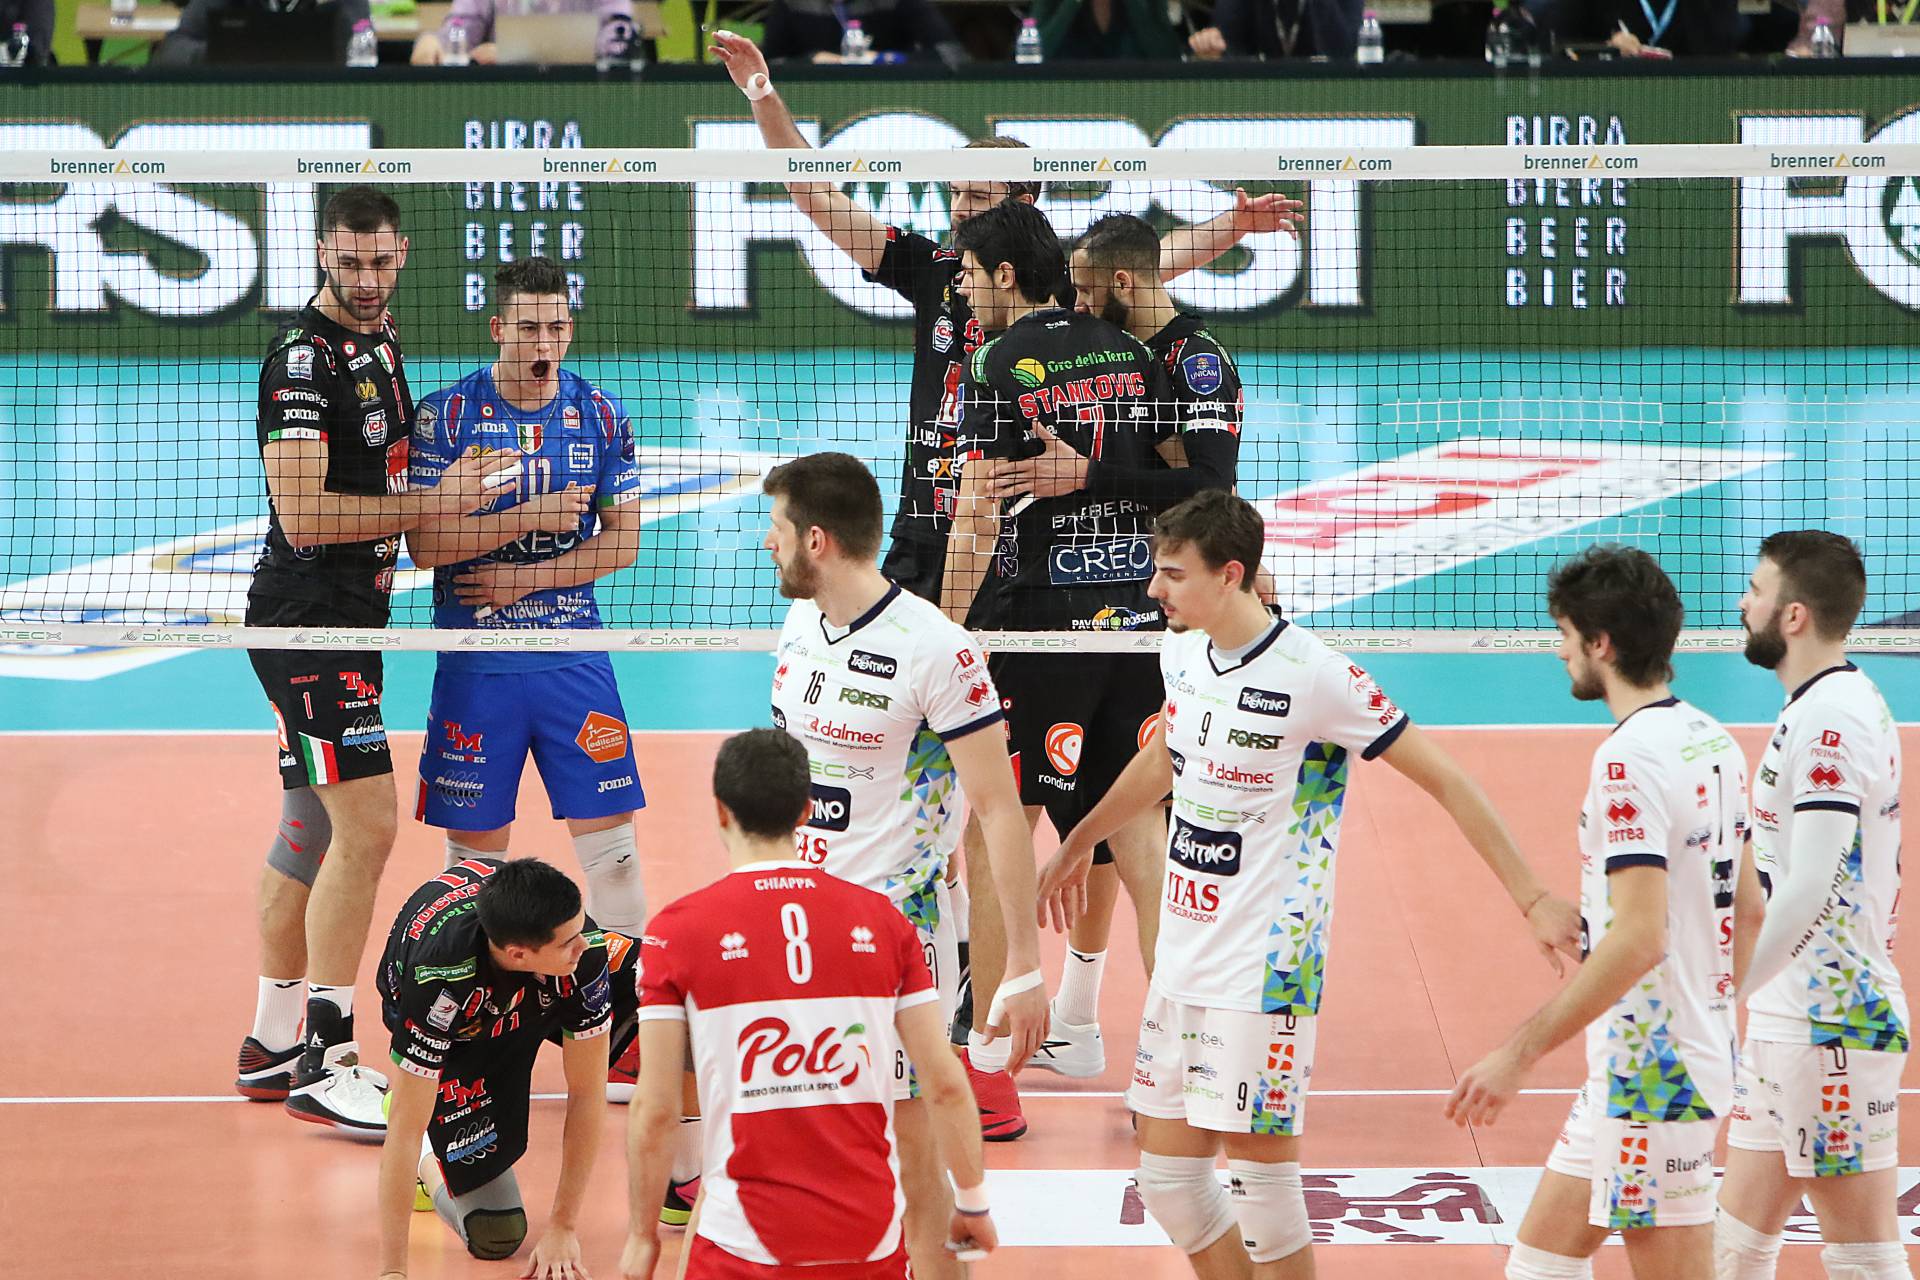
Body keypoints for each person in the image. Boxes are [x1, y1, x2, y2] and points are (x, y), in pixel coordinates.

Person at [1039, 490, 1581, 1280]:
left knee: (1262, 1192)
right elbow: (1163, 759)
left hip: (1266, 968)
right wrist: (1079, 841)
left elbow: (1447, 779)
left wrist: (1531, 897)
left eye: (1173, 574)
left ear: (1230, 575)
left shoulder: (1317, 676)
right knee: (1168, 1182)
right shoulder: (1181, 654)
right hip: (1184, 958)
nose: (1154, 590)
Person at [707, 28, 1299, 607]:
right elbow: (816, 196)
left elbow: (1151, 263)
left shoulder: (1062, 286)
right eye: (955, 193)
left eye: (978, 196)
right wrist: (763, 94)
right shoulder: (935, 270)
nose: (960, 211)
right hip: (928, 525)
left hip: (1025, 536)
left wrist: (1234, 226)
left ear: (1023, 201)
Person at [239, 185, 512, 1135]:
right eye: (350, 261)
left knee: (309, 830)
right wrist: (437, 503)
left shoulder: (382, 340)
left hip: (350, 619)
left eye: (381, 261)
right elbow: (306, 516)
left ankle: (273, 1040)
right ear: (324, 252)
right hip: (309, 624)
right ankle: (329, 1058)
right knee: (369, 831)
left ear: (402, 255)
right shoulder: (302, 361)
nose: (365, 278)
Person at [758, 451, 1043, 1276]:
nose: (767, 542)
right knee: (802, 1155)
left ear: (816, 539)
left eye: (776, 528)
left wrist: (1023, 965)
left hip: (893, 935)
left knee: (914, 1162)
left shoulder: (936, 650)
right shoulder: (799, 623)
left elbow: (998, 808)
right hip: (796, 924)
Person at [1446, 545, 1748, 1280]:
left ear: (1601, 643)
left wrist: (1518, 1054)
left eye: (1565, 635)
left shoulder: (1628, 761)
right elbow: (1751, 913)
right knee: (1540, 1264)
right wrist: (1708, 1013)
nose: (1560, 652)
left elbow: (1640, 937)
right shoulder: (1712, 738)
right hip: (1663, 1060)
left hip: (1653, 1073)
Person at [992, 212, 1245, 1080]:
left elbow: (1211, 490)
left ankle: (1003, 1022)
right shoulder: (1125, 349)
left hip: (1141, 615)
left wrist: (1090, 476)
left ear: (1122, 286)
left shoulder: (1190, 361)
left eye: (1087, 288)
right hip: (1132, 605)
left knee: (1034, 818)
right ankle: (1098, 1025)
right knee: (1121, 829)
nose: (1074, 303)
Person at [621, 728, 997, 1280]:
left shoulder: (675, 933)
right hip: (867, 1241)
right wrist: (972, 1202)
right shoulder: (885, 922)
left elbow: (655, 1109)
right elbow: (943, 1083)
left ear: (721, 810)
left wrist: (641, 1236)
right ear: (807, 812)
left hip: (740, 1247)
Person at [406, 254, 649, 1100]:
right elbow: (424, 547)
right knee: (473, 871)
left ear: (569, 329)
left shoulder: (601, 413)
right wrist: (530, 518)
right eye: (528, 328)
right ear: (497, 328)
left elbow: (623, 542)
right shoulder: (446, 417)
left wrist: (525, 577)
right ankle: (470, 1029)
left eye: (557, 327)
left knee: (614, 860)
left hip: (573, 658)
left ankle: (623, 1032)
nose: (544, 343)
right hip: (477, 669)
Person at [1715, 532, 1910, 1280]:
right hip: (1791, 1016)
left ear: (1792, 616)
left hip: (1831, 1022)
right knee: (1730, 1253)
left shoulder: (1832, 722)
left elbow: (1811, 884)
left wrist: (1723, 991)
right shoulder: (1821, 706)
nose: (1743, 603)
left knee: (1864, 1260)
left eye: (1756, 590)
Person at [374, 856, 619, 1277]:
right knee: (496, 1233)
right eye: (569, 942)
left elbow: (587, 1091)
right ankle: (431, 1157)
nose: (585, 945)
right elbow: (404, 1130)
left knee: (651, 996)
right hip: (462, 1034)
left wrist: (563, 1226)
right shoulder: (439, 980)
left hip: (535, 997)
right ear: (518, 953)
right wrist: (392, 1272)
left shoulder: (584, 949)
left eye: (581, 929)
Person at [409, 0, 637, 65]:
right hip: (505, 103)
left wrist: (518, 52)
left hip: (580, 97)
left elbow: (619, 44)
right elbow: (462, 28)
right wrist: (435, 42)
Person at [761, 0, 966, 64]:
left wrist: (886, 59)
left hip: (891, 97)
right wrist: (811, 61)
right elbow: (769, 64)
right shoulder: (791, 4)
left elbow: (952, 54)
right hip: (814, 97)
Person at [1188, 0, 1363, 60]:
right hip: (1260, 97)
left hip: (1323, 95)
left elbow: (1342, 51)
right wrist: (1212, 45)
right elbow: (1227, 40)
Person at [1029, 0, 1184, 58]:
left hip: (1134, 98)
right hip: (1067, 100)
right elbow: (1031, 55)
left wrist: (1135, 5)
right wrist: (1072, 4)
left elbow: (1169, 56)